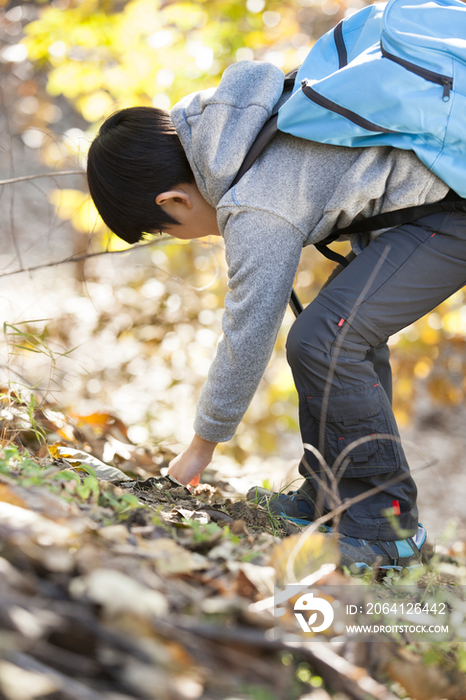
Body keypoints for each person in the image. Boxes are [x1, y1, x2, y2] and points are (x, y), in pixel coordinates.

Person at [87, 58, 464, 573]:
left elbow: (247, 333)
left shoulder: (253, 198)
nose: (178, 236)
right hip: (438, 200)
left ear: (173, 200)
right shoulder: (235, 123)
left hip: (454, 209)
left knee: (325, 339)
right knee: (337, 331)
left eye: (163, 229)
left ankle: (387, 531)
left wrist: (199, 451)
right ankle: (333, 497)